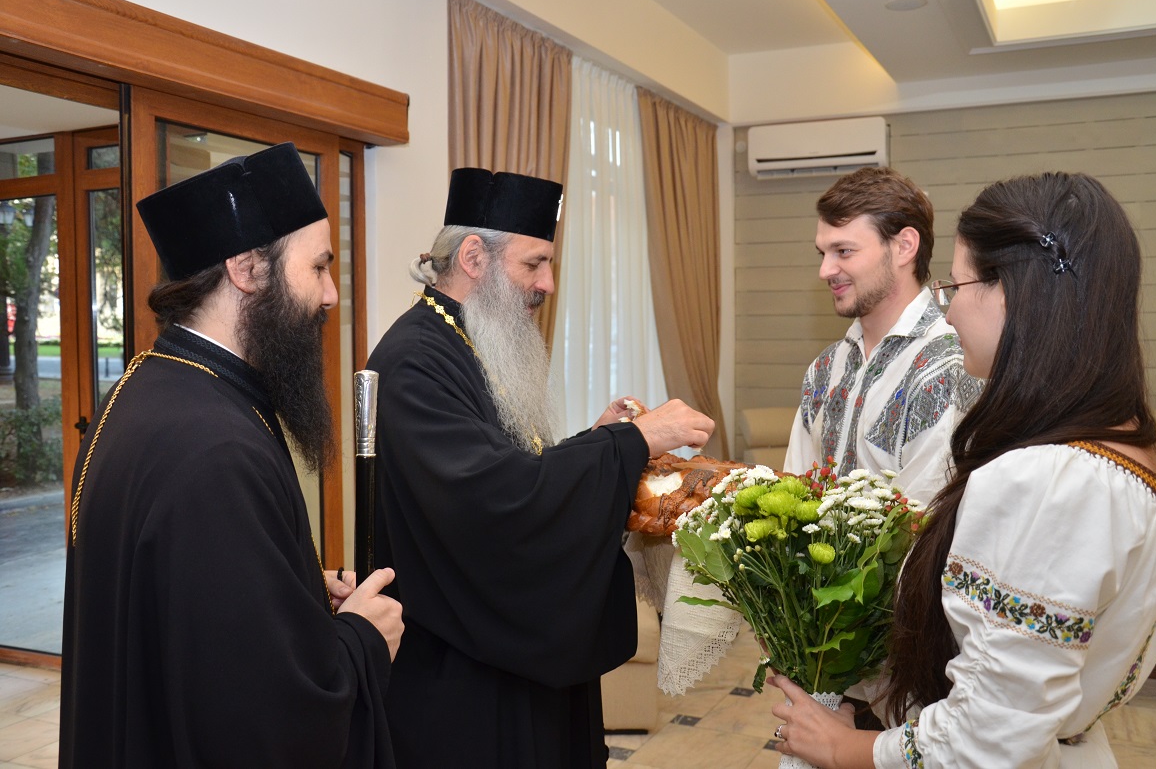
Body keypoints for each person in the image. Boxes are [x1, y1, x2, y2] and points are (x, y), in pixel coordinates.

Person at [767, 172, 1156, 768]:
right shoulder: (1140, 466)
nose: (950, 310)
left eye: (957, 286)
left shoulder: (1043, 483)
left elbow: (984, 740)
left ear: (1013, 293)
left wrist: (843, 749)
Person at [60, 142, 405, 768]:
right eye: (319, 268)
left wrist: (297, 594)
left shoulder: (146, 389)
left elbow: (194, 611)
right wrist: (362, 638)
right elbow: (261, 718)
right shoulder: (216, 449)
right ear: (246, 269)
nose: (331, 295)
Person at [368, 167, 714, 768]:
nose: (548, 283)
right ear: (473, 257)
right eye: (534, 264)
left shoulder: (468, 339)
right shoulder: (415, 361)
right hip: (462, 677)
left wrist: (597, 440)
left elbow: (513, 466)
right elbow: (494, 500)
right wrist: (633, 441)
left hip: (502, 655)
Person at [783, 166, 977, 506]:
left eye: (844, 251)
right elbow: (791, 493)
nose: (825, 270)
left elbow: (922, 518)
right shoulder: (824, 370)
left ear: (904, 246)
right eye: (823, 253)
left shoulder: (950, 365)